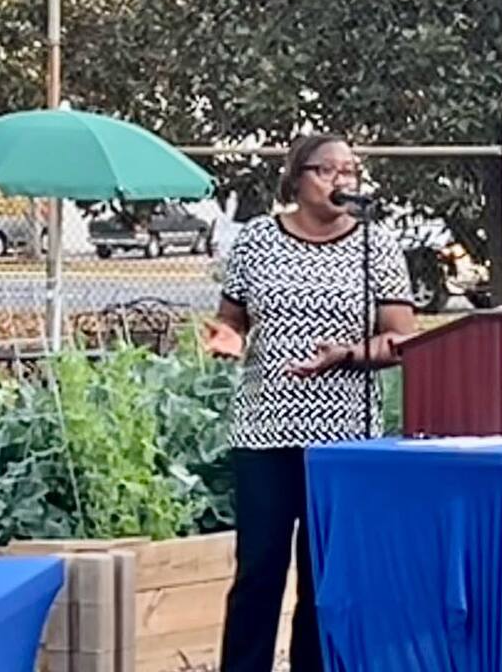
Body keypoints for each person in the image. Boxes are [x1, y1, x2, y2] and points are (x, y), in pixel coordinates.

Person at [209, 132, 417, 672]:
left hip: (343, 437)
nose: (342, 180)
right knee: (258, 570)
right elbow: (233, 318)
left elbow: (400, 338)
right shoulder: (256, 239)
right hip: (264, 430)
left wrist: (347, 354)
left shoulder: (378, 245)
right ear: (297, 178)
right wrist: (227, 338)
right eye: (328, 170)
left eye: (350, 170)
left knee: (322, 578)